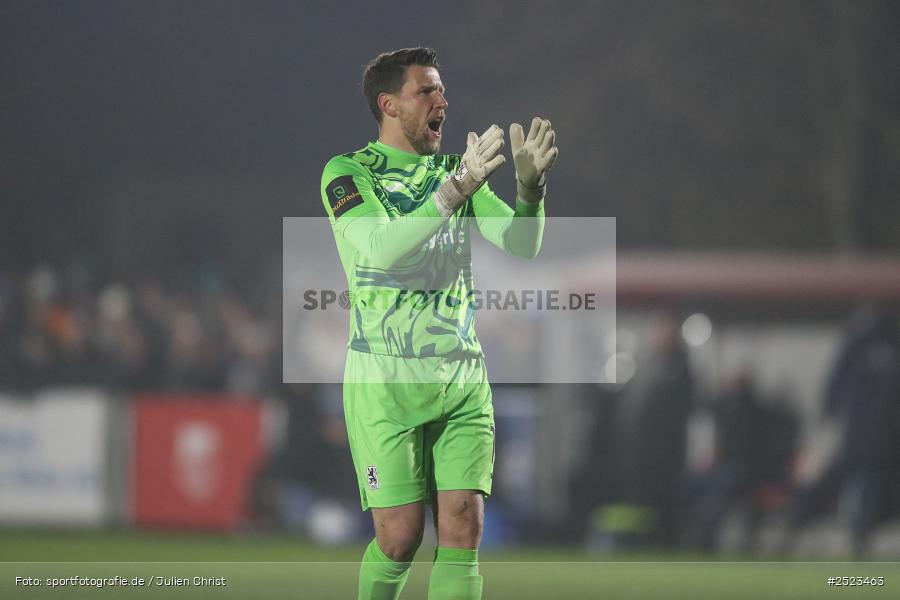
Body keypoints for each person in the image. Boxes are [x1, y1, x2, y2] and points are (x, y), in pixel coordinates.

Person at [319, 47, 557, 600]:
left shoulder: (457, 171)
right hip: (385, 384)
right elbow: (380, 250)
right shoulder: (348, 173)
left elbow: (522, 244)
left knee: (463, 527)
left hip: (461, 379)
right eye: (426, 90)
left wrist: (530, 191)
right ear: (389, 104)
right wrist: (455, 193)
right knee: (400, 539)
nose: (442, 101)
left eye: (441, 90)